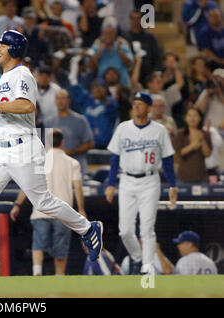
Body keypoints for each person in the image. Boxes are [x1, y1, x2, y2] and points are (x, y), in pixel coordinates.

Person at [0, 30, 104, 275]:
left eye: (2, 45)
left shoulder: (22, 73)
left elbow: (26, 105)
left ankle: (88, 228)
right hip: (1, 150)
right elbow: (8, 113)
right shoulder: (5, 78)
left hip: (23, 148)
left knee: (43, 201)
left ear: (13, 49)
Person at [105, 92, 178, 275]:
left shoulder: (159, 130)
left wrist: (172, 185)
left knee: (147, 229)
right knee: (125, 231)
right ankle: (138, 258)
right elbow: (115, 158)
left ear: (149, 107)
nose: (136, 106)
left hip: (150, 180)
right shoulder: (123, 128)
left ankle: (147, 269)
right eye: (135, 103)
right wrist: (111, 183)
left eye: (140, 103)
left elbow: (168, 159)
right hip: (127, 180)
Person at [10, 129, 86, 276]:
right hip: (63, 212)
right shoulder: (73, 162)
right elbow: (78, 187)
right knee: (61, 247)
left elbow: (27, 185)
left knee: (38, 243)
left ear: (47, 143)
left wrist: (17, 205)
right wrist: (81, 209)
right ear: (63, 142)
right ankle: (59, 277)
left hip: (41, 211)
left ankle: (37, 273)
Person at [45, 89, 95, 177]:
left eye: (63, 98)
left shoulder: (80, 120)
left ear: (69, 100)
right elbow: (46, 145)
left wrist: (72, 151)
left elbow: (90, 143)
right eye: (58, 99)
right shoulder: (49, 122)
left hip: (76, 168)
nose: (60, 101)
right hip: (56, 169)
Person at [88, 17, 134, 87]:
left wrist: (119, 52)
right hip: (103, 86)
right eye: (106, 33)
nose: (108, 36)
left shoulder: (122, 45)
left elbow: (130, 64)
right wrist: (99, 52)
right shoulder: (96, 47)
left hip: (122, 85)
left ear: (115, 33)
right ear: (102, 33)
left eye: (111, 33)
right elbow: (89, 67)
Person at [173, 107, 212, 183]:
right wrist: (193, 145)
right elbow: (179, 153)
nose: (192, 118)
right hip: (183, 177)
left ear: (200, 118)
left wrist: (202, 140)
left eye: (195, 115)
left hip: (201, 176)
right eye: (189, 115)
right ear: (185, 118)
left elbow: (208, 154)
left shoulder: (205, 134)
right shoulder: (180, 134)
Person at [124, 10, 162, 84]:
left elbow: (157, 58)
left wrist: (155, 71)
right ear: (130, 20)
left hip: (149, 76)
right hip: (130, 75)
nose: (136, 21)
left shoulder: (150, 38)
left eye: (138, 18)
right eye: (133, 18)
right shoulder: (125, 38)